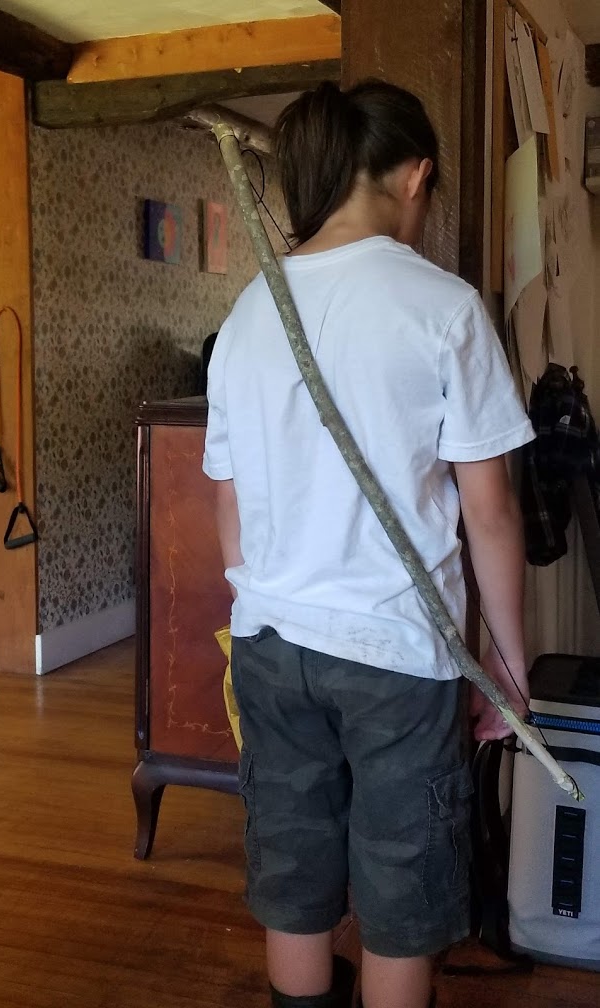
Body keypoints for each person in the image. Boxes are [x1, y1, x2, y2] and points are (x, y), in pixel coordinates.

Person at [202, 80, 535, 1008]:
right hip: (397, 653)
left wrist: (264, 598)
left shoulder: (248, 314)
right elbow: (490, 513)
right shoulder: (444, 309)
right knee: (401, 886)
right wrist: (509, 668)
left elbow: (228, 505)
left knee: (294, 869)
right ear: (416, 176)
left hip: (271, 644)